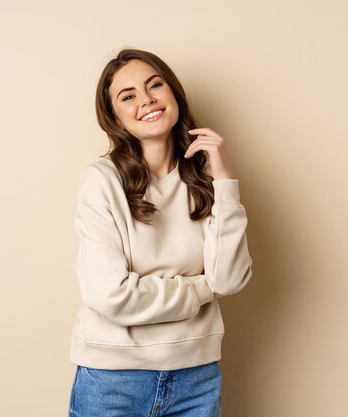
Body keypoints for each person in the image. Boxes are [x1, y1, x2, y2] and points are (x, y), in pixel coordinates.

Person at [67, 48, 253, 417]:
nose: (147, 100)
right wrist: (202, 287)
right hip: (113, 381)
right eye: (128, 96)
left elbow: (230, 280)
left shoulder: (205, 180)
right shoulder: (101, 181)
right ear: (114, 116)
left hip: (197, 378)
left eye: (155, 85)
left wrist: (225, 180)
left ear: (174, 94)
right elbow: (111, 295)